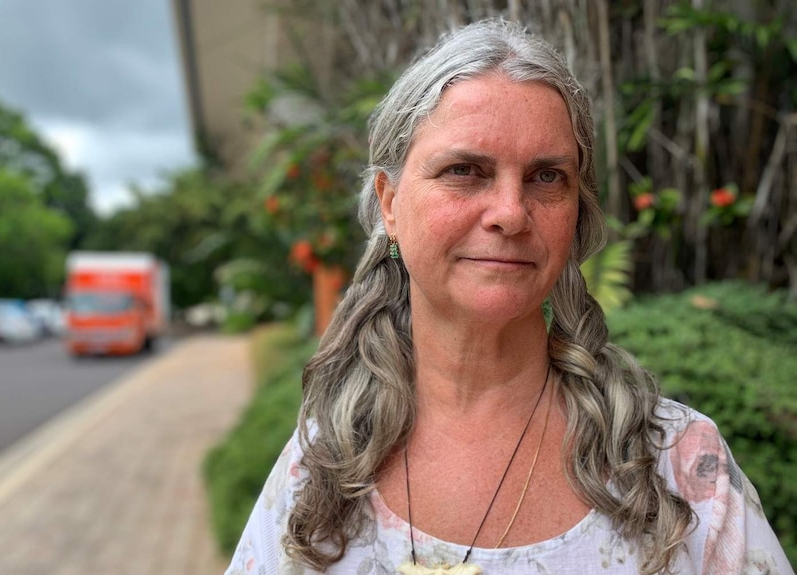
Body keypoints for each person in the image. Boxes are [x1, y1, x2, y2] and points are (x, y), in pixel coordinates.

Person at [225, 18, 793, 575]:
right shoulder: (325, 466)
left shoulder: (678, 468)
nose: (510, 213)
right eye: (465, 170)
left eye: (547, 177)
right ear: (390, 202)